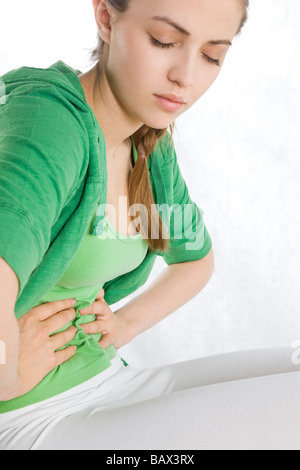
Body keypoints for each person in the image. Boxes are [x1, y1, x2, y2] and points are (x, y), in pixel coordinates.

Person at [3, 0, 299, 451]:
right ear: (106, 17)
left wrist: (123, 327)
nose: (187, 76)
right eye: (164, 41)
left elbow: (194, 261)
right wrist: (8, 375)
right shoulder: (50, 123)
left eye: (212, 55)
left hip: (109, 384)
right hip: (32, 419)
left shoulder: (148, 149)